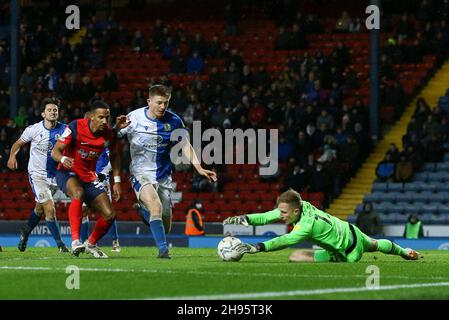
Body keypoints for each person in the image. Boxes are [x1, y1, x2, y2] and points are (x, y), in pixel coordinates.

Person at [118, 84, 217, 259]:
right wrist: (116, 128)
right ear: (149, 101)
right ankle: (163, 251)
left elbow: (185, 145)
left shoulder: (174, 121)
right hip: (140, 173)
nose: (163, 107)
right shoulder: (134, 117)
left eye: (166, 103)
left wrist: (199, 167)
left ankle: (144, 211)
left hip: (163, 175)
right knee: (155, 207)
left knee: (165, 224)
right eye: (159, 103)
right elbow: (112, 137)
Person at [223, 189, 420, 263]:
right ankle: (405, 252)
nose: (280, 216)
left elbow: (285, 240)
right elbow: (268, 216)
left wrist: (256, 247)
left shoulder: (305, 226)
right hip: (351, 230)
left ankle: (332, 257)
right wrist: (245, 219)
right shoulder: (301, 205)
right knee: (375, 244)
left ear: (295, 212)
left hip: (348, 253)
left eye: (283, 213)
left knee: (296, 256)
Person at [51, 100, 129, 258]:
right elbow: (55, 151)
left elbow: (114, 156)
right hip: (67, 172)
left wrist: (117, 181)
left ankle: (91, 244)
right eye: (101, 117)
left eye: (107, 117)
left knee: (110, 215)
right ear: (91, 117)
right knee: (77, 193)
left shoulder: (108, 133)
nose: (105, 121)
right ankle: (75, 242)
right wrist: (62, 159)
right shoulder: (75, 126)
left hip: (88, 176)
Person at [7, 98, 69, 253]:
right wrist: (12, 156)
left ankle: (25, 233)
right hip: (37, 174)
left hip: (56, 176)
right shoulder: (33, 129)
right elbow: (17, 144)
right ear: (43, 113)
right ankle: (61, 245)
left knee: (40, 209)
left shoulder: (65, 130)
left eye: (55, 110)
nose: (53, 112)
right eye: (49, 110)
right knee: (49, 207)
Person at [80, 146, 121, 253]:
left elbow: (112, 160)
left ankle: (115, 241)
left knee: (107, 212)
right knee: (83, 210)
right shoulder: (86, 143)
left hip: (102, 179)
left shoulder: (105, 144)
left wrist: (102, 173)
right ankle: (83, 241)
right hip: (88, 179)